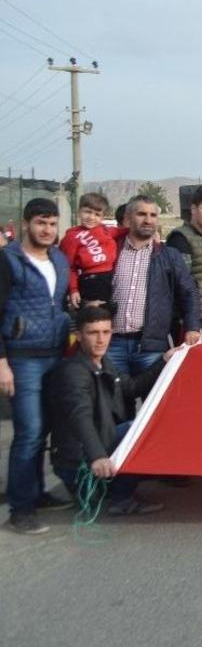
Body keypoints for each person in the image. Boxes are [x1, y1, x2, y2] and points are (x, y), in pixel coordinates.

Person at [45, 305, 180, 516]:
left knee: (146, 427)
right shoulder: (73, 372)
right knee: (137, 431)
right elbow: (80, 417)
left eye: (106, 332)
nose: (101, 339)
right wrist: (98, 455)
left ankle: (109, 489)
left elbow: (131, 387)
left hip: (92, 452)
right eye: (93, 333)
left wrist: (164, 360)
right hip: (78, 463)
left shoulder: (103, 363)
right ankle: (121, 499)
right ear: (79, 336)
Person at [0, 199, 74, 535]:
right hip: (21, 356)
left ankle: (37, 493)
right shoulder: (8, 260)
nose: (47, 230)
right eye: (41, 223)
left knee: (44, 429)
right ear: (27, 223)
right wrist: (2, 363)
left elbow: (57, 305)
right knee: (28, 432)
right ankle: (20, 509)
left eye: (52, 224)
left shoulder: (58, 259)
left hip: (54, 354)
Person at [107, 195, 201, 376]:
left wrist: (192, 326)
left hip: (151, 347)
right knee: (115, 402)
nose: (148, 220)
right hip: (112, 344)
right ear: (127, 218)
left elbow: (189, 291)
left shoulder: (169, 256)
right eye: (141, 214)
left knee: (153, 401)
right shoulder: (111, 250)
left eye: (152, 215)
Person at [166, 185, 202, 331]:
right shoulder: (181, 238)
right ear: (193, 209)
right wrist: (190, 323)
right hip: (192, 321)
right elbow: (180, 284)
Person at [59, 192, 118, 309]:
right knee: (93, 319)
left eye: (97, 214)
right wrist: (73, 289)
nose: (91, 217)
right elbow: (68, 267)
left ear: (103, 217)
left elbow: (124, 230)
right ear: (79, 211)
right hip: (90, 283)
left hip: (109, 280)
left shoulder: (106, 231)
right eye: (87, 212)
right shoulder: (72, 237)